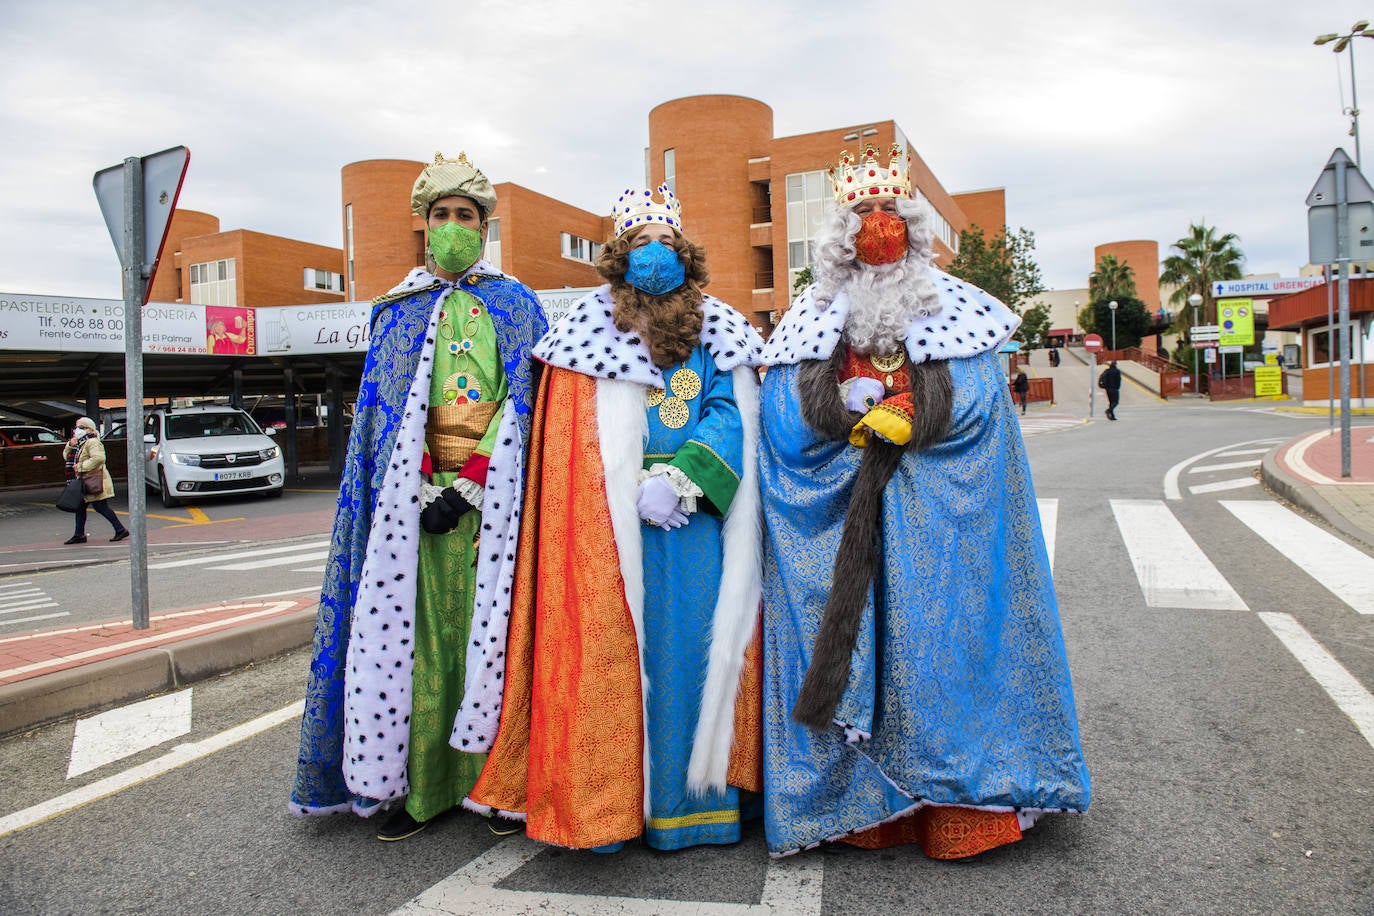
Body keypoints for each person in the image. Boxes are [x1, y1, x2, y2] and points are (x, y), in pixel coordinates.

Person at [756, 146, 1090, 859]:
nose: (877, 228)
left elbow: (978, 402)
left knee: (946, 648)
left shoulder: (955, 307)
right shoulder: (810, 317)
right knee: (853, 651)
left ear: (910, 224)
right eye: (862, 216)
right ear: (841, 236)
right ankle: (866, 804)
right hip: (848, 508)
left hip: (939, 522)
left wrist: (916, 413)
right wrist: (838, 416)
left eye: (889, 213)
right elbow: (782, 416)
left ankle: (960, 803)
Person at [464, 185, 766, 852]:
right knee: (611, 657)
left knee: (693, 654)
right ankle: (606, 805)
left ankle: (692, 809)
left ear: (686, 255)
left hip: (696, 527)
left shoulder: (717, 328)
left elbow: (731, 411)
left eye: (666, 242)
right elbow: (568, 441)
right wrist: (620, 486)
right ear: (618, 259)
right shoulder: (582, 335)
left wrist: (684, 479)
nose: (654, 255)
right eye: (640, 243)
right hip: (606, 525)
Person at [290, 152, 548, 842]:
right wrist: (416, 486)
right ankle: (413, 787)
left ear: (485, 226)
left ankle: (498, 784)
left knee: (494, 639)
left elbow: (525, 406)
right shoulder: (394, 313)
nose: (454, 226)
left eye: (467, 216)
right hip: (410, 507)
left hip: (498, 506)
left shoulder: (518, 305)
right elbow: (384, 417)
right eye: (442, 216)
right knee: (414, 647)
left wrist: (470, 486)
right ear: (423, 226)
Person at [63, 417, 130, 545]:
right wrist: (69, 445)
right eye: (76, 427)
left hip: (94, 481)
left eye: (81, 427)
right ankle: (79, 534)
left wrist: (81, 466)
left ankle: (120, 529)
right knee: (80, 507)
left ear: (89, 429)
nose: (77, 430)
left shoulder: (92, 442)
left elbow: (99, 459)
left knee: (100, 507)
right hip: (84, 481)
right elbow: (67, 457)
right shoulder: (79, 443)